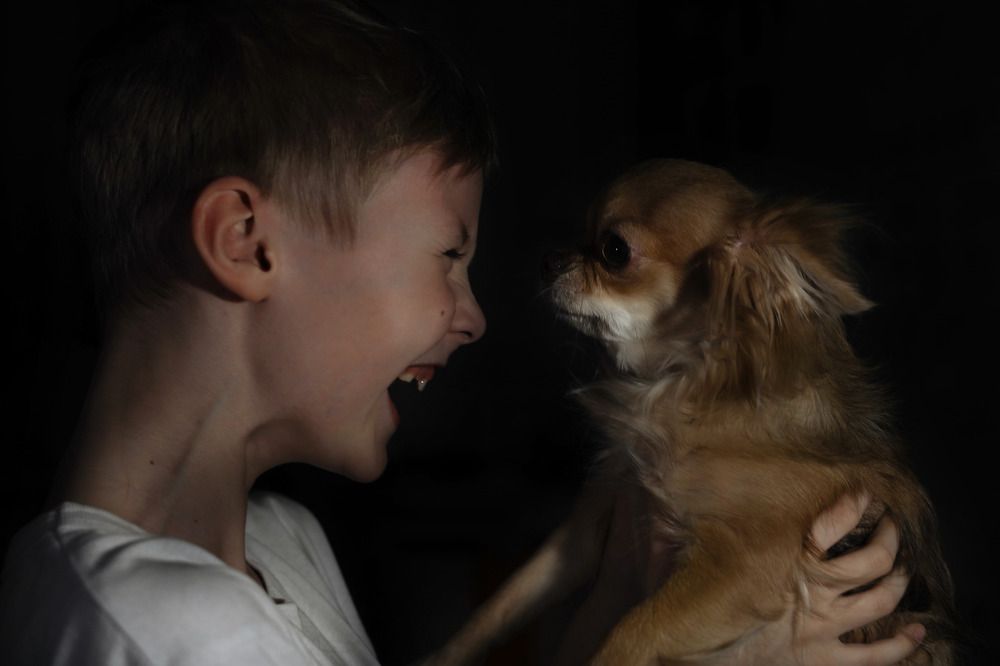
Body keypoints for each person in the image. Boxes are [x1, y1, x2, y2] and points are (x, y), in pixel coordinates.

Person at [0, 1, 925, 664]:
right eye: (447, 255)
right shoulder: (179, 633)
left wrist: (626, 595)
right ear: (247, 242)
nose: (475, 316)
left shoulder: (277, 541)